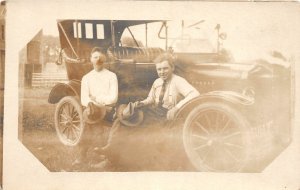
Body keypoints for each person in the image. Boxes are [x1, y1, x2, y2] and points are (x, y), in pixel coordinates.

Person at [74, 47, 118, 170]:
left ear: (104, 60)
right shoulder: (86, 78)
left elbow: (113, 98)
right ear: (91, 60)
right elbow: (84, 98)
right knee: (89, 118)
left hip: (108, 109)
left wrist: (97, 98)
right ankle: (82, 156)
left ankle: (104, 154)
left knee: (94, 121)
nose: (98, 60)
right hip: (94, 109)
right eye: (95, 57)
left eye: (100, 57)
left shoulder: (111, 76)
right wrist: (91, 103)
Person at [137, 53, 200, 120]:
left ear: (172, 68)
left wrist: (177, 108)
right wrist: (142, 103)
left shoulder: (178, 81)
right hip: (156, 113)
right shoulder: (157, 82)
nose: (162, 72)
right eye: (159, 69)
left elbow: (195, 94)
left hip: (170, 116)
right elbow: (151, 98)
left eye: (165, 68)